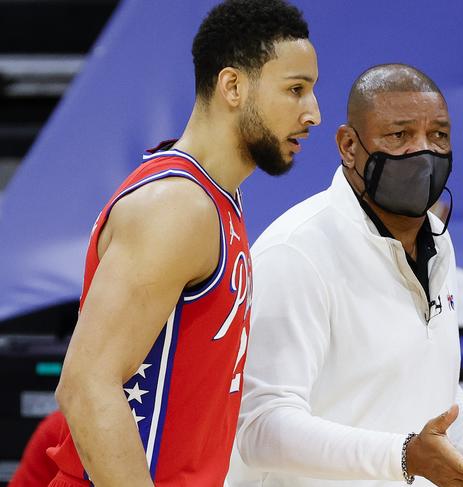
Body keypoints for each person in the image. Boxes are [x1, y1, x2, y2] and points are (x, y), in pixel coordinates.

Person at [227, 64, 463, 487]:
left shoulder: (438, 240)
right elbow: (261, 429)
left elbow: (421, 387)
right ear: (348, 145)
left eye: (438, 136)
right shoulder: (295, 252)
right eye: (399, 136)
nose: (423, 153)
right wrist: (403, 455)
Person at [47, 1, 320, 485]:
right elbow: (86, 387)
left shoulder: (215, 199)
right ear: (233, 86)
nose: (313, 113)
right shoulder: (177, 207)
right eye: (295, 90)